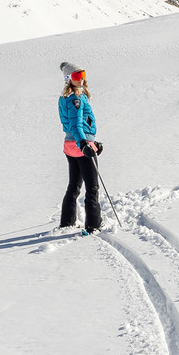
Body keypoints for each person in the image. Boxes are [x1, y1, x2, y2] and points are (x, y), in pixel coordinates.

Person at [57, 62, 102, 234]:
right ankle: (93, 225)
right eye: (76, 76)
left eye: (82, 74)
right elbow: (76, 125)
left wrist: (94, 144)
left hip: (70, 146)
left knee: (74, 186)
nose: (81, 79)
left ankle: (67, 222)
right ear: (69, 79)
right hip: (80, 146)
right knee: (92, 187)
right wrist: (84, 143)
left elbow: (78, 125)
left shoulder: (66, 97)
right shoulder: (75, 99)